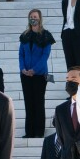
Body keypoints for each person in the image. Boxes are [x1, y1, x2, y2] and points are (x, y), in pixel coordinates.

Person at [19, 9, 56, 139]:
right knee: (28, 102)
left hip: (40, 75)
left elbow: (45, 56)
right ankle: (29, 131)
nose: (33, 18)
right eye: (31, 16)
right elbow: (21, 54)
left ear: (40, 18)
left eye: (35, 16)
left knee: (38, 102)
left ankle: (39, 131)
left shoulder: (46, 35)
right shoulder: (24, 35)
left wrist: (34, 70)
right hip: (25, 75)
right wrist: (23, 68)